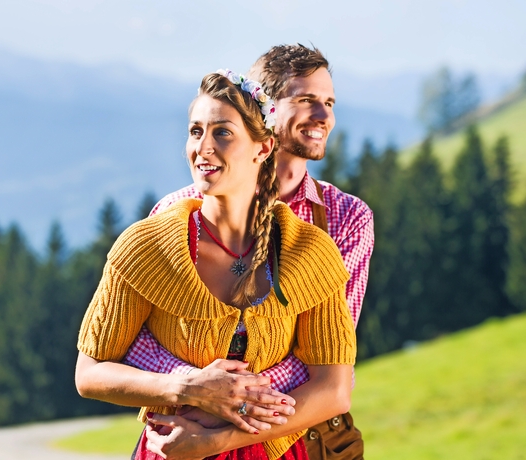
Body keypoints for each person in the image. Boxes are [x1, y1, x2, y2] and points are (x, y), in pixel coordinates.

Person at [75, 70, 357, 460]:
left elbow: (333, 391)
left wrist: (219, 441)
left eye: (222, 133)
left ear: (263, 148)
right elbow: (89, 373)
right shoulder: (145, 247)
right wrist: (184, 388)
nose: (203, 147)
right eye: (195, 132)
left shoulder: (309, 253)